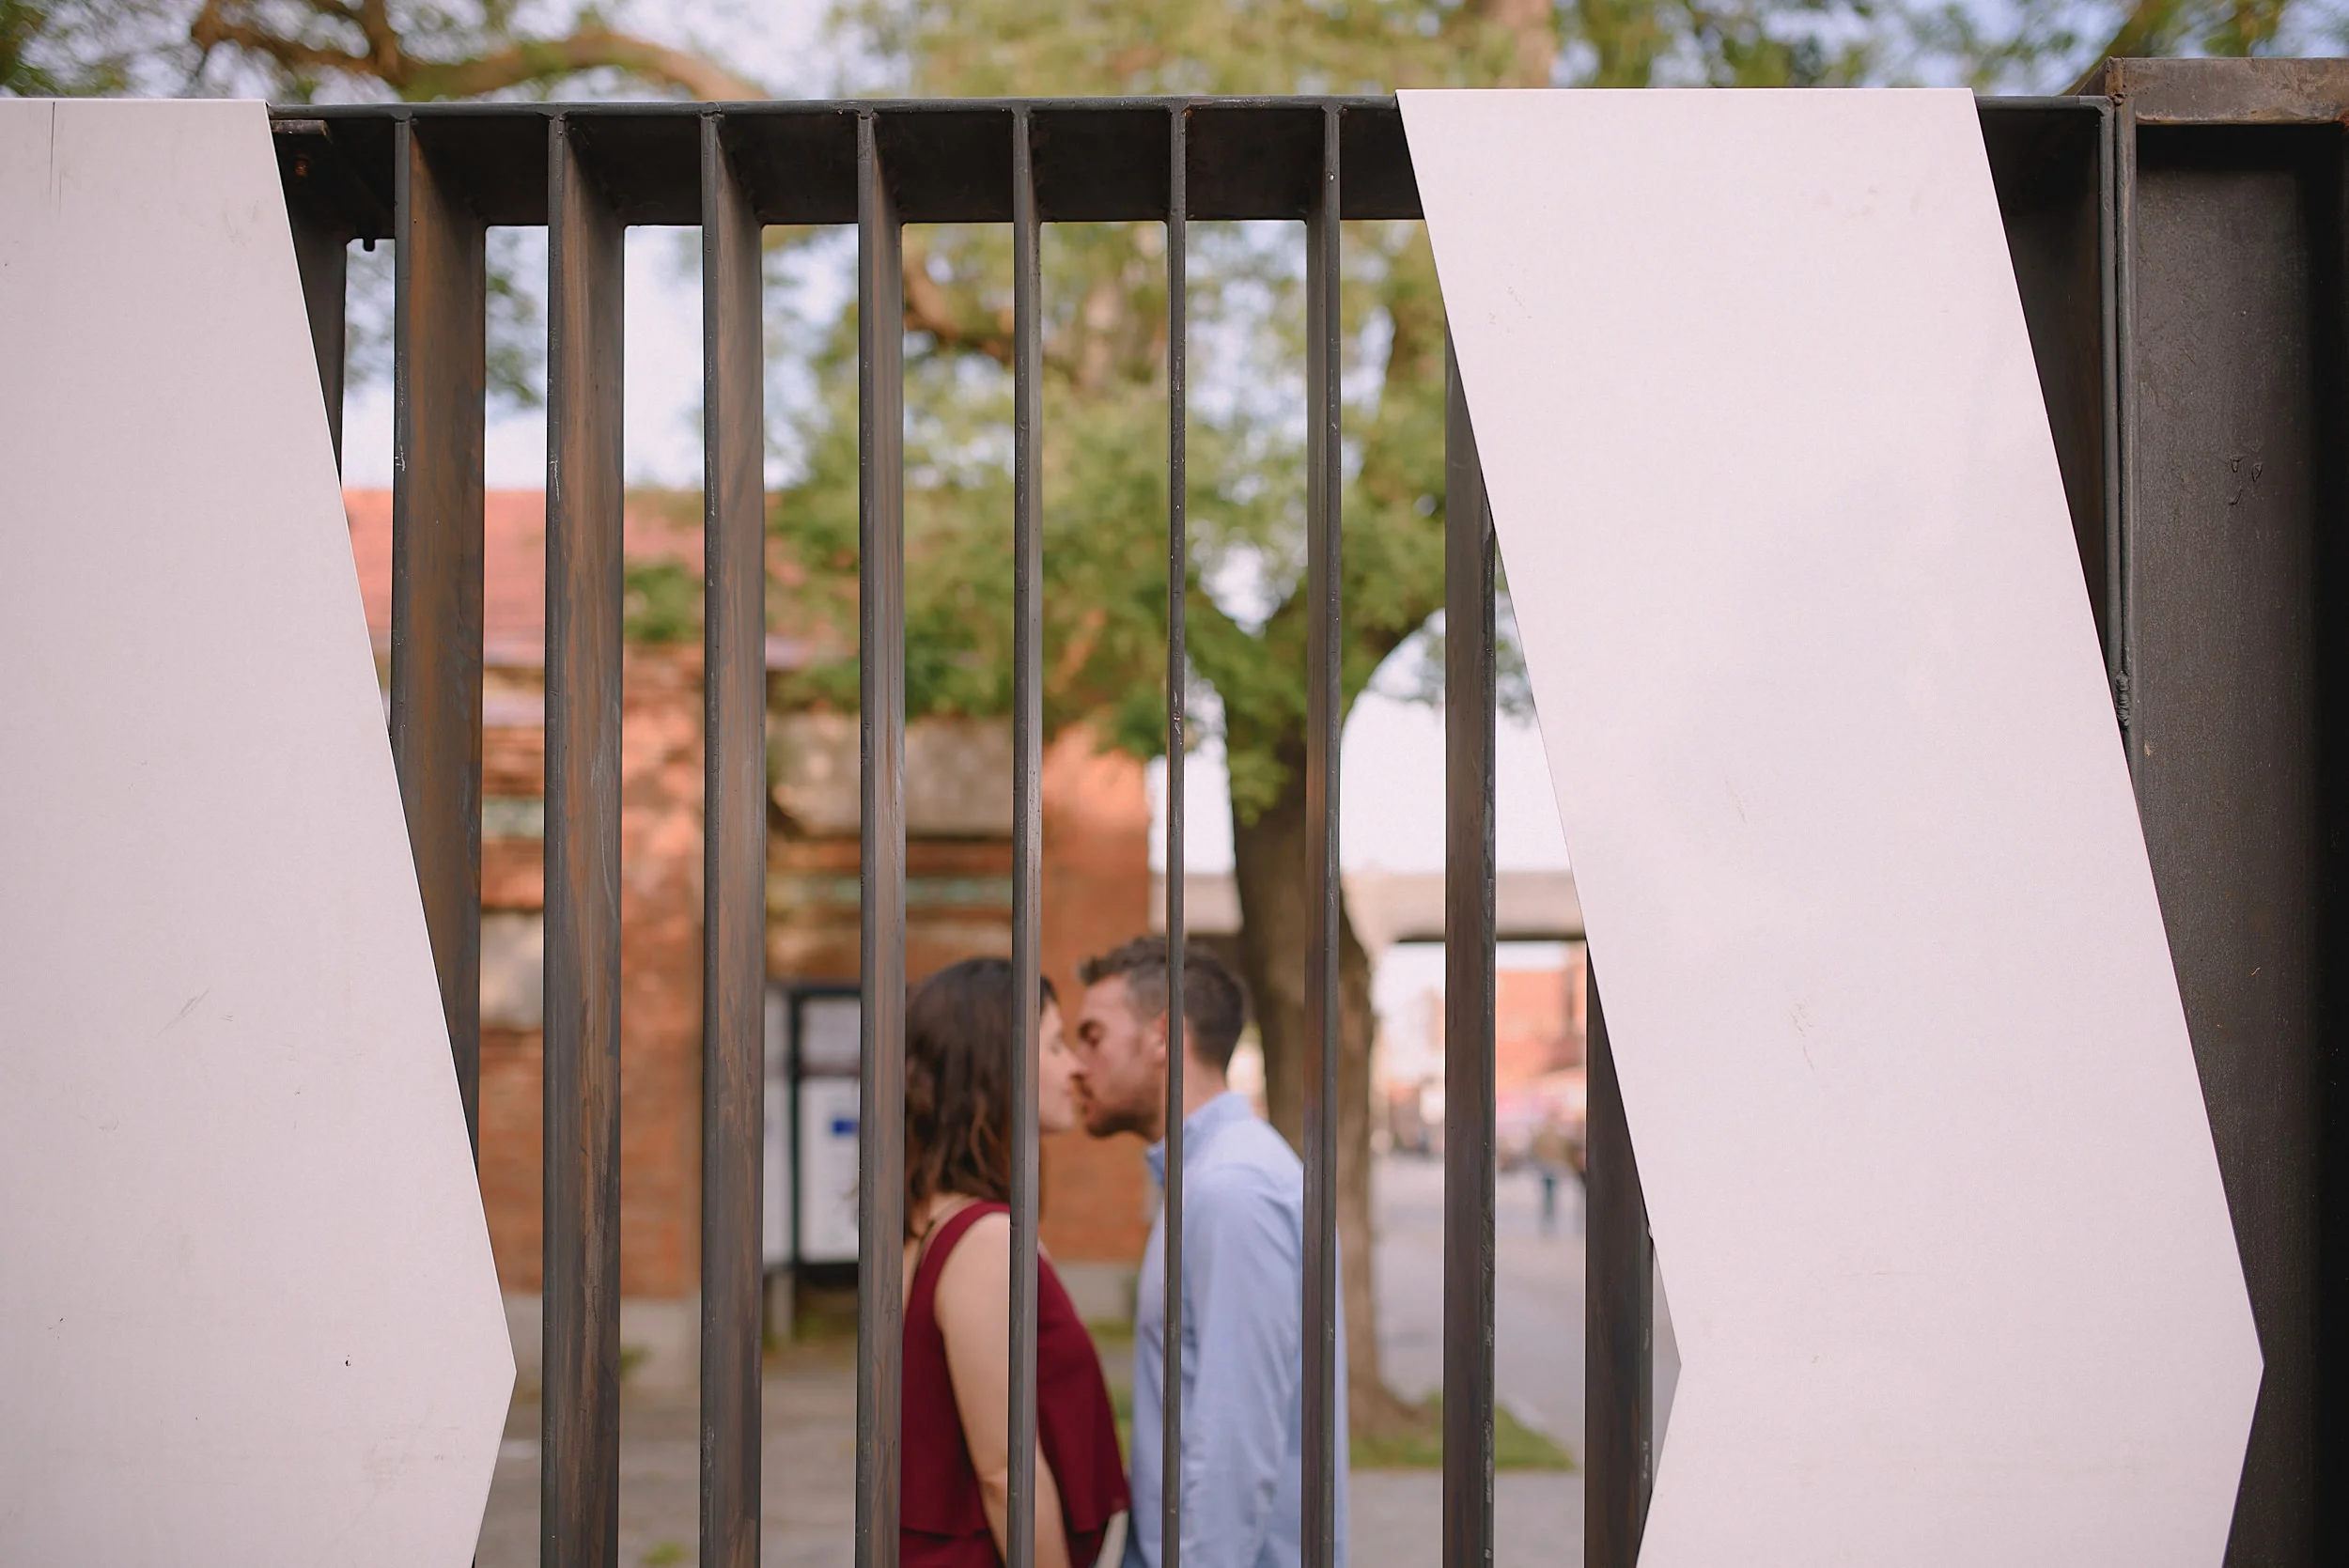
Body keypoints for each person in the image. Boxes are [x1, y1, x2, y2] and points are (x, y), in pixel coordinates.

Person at [1070, 939, 1346, 1568]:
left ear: (1161, 1036)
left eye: (1093, 1035)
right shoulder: (1207, 1176)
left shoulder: (1232, 1188)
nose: (1078, 1063)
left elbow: (1234, 1443)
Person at [901, 958, 1130, 1568]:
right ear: (998, 1064)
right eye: (1055, 1044)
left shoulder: (939, 1220)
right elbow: (1006, 1471)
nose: (1077, 1066)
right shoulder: (982, 1240)